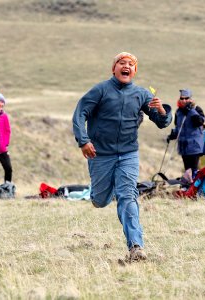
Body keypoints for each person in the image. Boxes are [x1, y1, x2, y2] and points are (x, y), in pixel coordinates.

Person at [72, 52, 172, 261]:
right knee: (100, 200)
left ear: (135, 71)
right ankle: (104, 194)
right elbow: (80, 113)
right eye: (122, 63)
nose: (126, 66)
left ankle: (136, 246)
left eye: (131, 64)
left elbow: (162, 122)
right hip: (100, 154)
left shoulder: (142, 94)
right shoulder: (100, 90)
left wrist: (163, 111)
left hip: (128, 154)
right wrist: (83, 141)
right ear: (113, 68)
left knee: (128, 196)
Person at [167, 89, 205, 175]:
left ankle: (194, 187)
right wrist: (172, 135)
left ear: (191, 99)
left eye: (186, 98)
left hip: (194, 146)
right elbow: (178, 127)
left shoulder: (197, 109)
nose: (184, 100)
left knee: (194, 169)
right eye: (182, 98)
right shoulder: (178, 111)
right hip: (183, 146)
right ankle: (187, 186)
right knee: (187, 170)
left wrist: (191, 110)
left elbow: (200, 122)